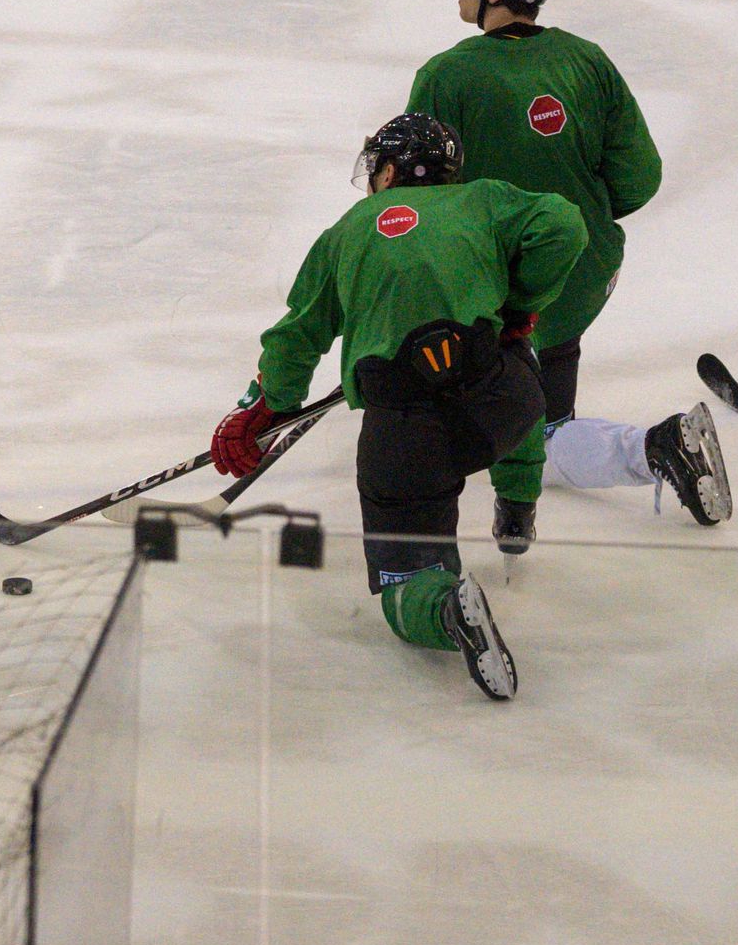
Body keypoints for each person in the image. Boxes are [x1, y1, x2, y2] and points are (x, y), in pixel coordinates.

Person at [214, 114, 583, 702]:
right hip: (504, 406)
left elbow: (295, 338)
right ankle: (517, 511)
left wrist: (263, 409)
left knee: (404, 585)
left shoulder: (348, 230)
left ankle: (444, 606)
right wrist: (517, 305)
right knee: (514, 360)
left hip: (409, 435)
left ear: (388, 170)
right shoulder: (484, 201)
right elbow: (565, 224)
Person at [403, 0, 725, 549]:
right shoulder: (586, 60)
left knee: (515, 434)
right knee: (548, 375)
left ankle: (656, 448)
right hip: (586, 272)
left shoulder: (447, 76)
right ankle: (558, 414)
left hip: (505, 292)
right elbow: (641, 177)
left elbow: (420, 208)